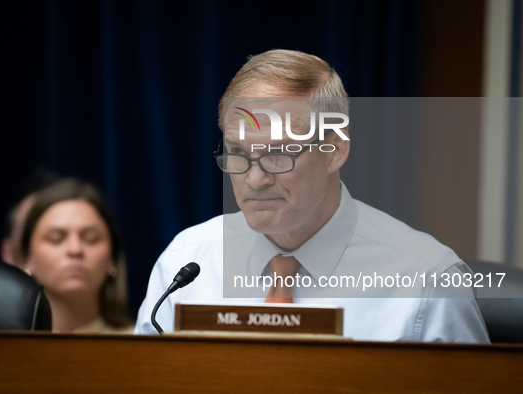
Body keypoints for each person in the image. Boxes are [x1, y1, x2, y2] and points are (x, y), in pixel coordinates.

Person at [135, 49, 489, 343]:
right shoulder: (186, 263)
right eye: (238, 154)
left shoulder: (428, 281)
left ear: (334, 149)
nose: (254, 180)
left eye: (278, 153)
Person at [15, 178, 133, 334]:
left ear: (113, 258)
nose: (75, 249)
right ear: (26, 257)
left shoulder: (144, 343)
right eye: (56, 239)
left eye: (91, 239)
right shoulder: (0, 348)